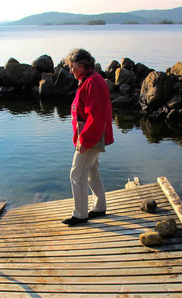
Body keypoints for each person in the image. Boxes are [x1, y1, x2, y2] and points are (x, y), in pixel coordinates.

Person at [62, 48, 114, 226]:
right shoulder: (88, 80)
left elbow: (96, 116)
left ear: (82, 64)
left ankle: (80, 214)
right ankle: (99, 207)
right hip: (87, 133)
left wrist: (84, 140)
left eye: (72, 66)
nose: (70, 71)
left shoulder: (93, 82)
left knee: (76, 174)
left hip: (90, 135)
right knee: (91, 171)